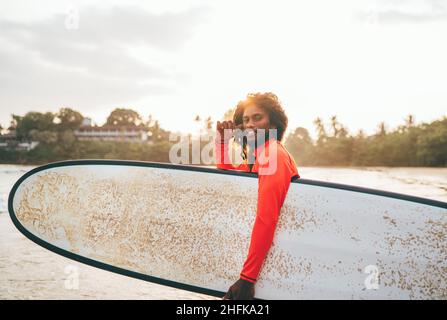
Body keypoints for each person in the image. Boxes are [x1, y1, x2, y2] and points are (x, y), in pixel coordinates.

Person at [215, 92, 300, 300]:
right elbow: (229, 181)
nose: (249, 125)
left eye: (257, 118)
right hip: (265, 262)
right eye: (245, 120)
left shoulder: (273, 155)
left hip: (275, 265)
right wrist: (222, 142)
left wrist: (247, 279)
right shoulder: (258, 156)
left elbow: (266, 218)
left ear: (273, 124)